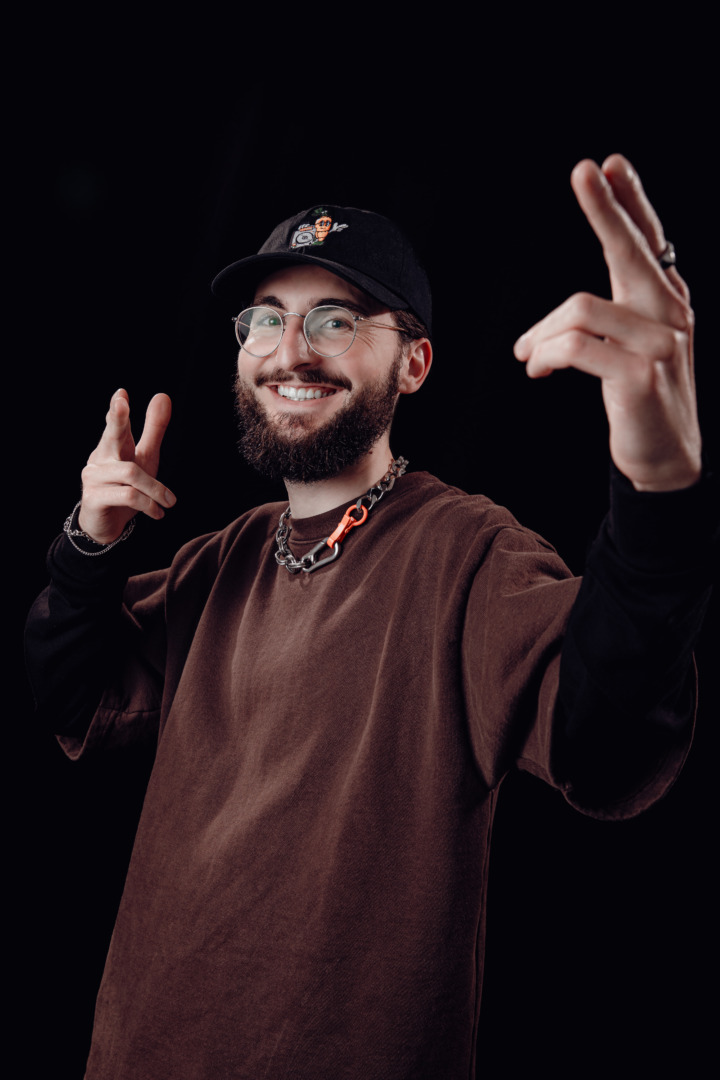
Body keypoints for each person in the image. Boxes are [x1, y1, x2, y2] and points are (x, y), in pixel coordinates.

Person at [26, 155, 716, 1079]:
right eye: (264, 320)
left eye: (336, 320)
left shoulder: (468, 554)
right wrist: (87, 544)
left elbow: (607, 745)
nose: (289, 350)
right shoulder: (220, 559)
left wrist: (658, 497)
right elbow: (70, 691)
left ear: (415, 361)